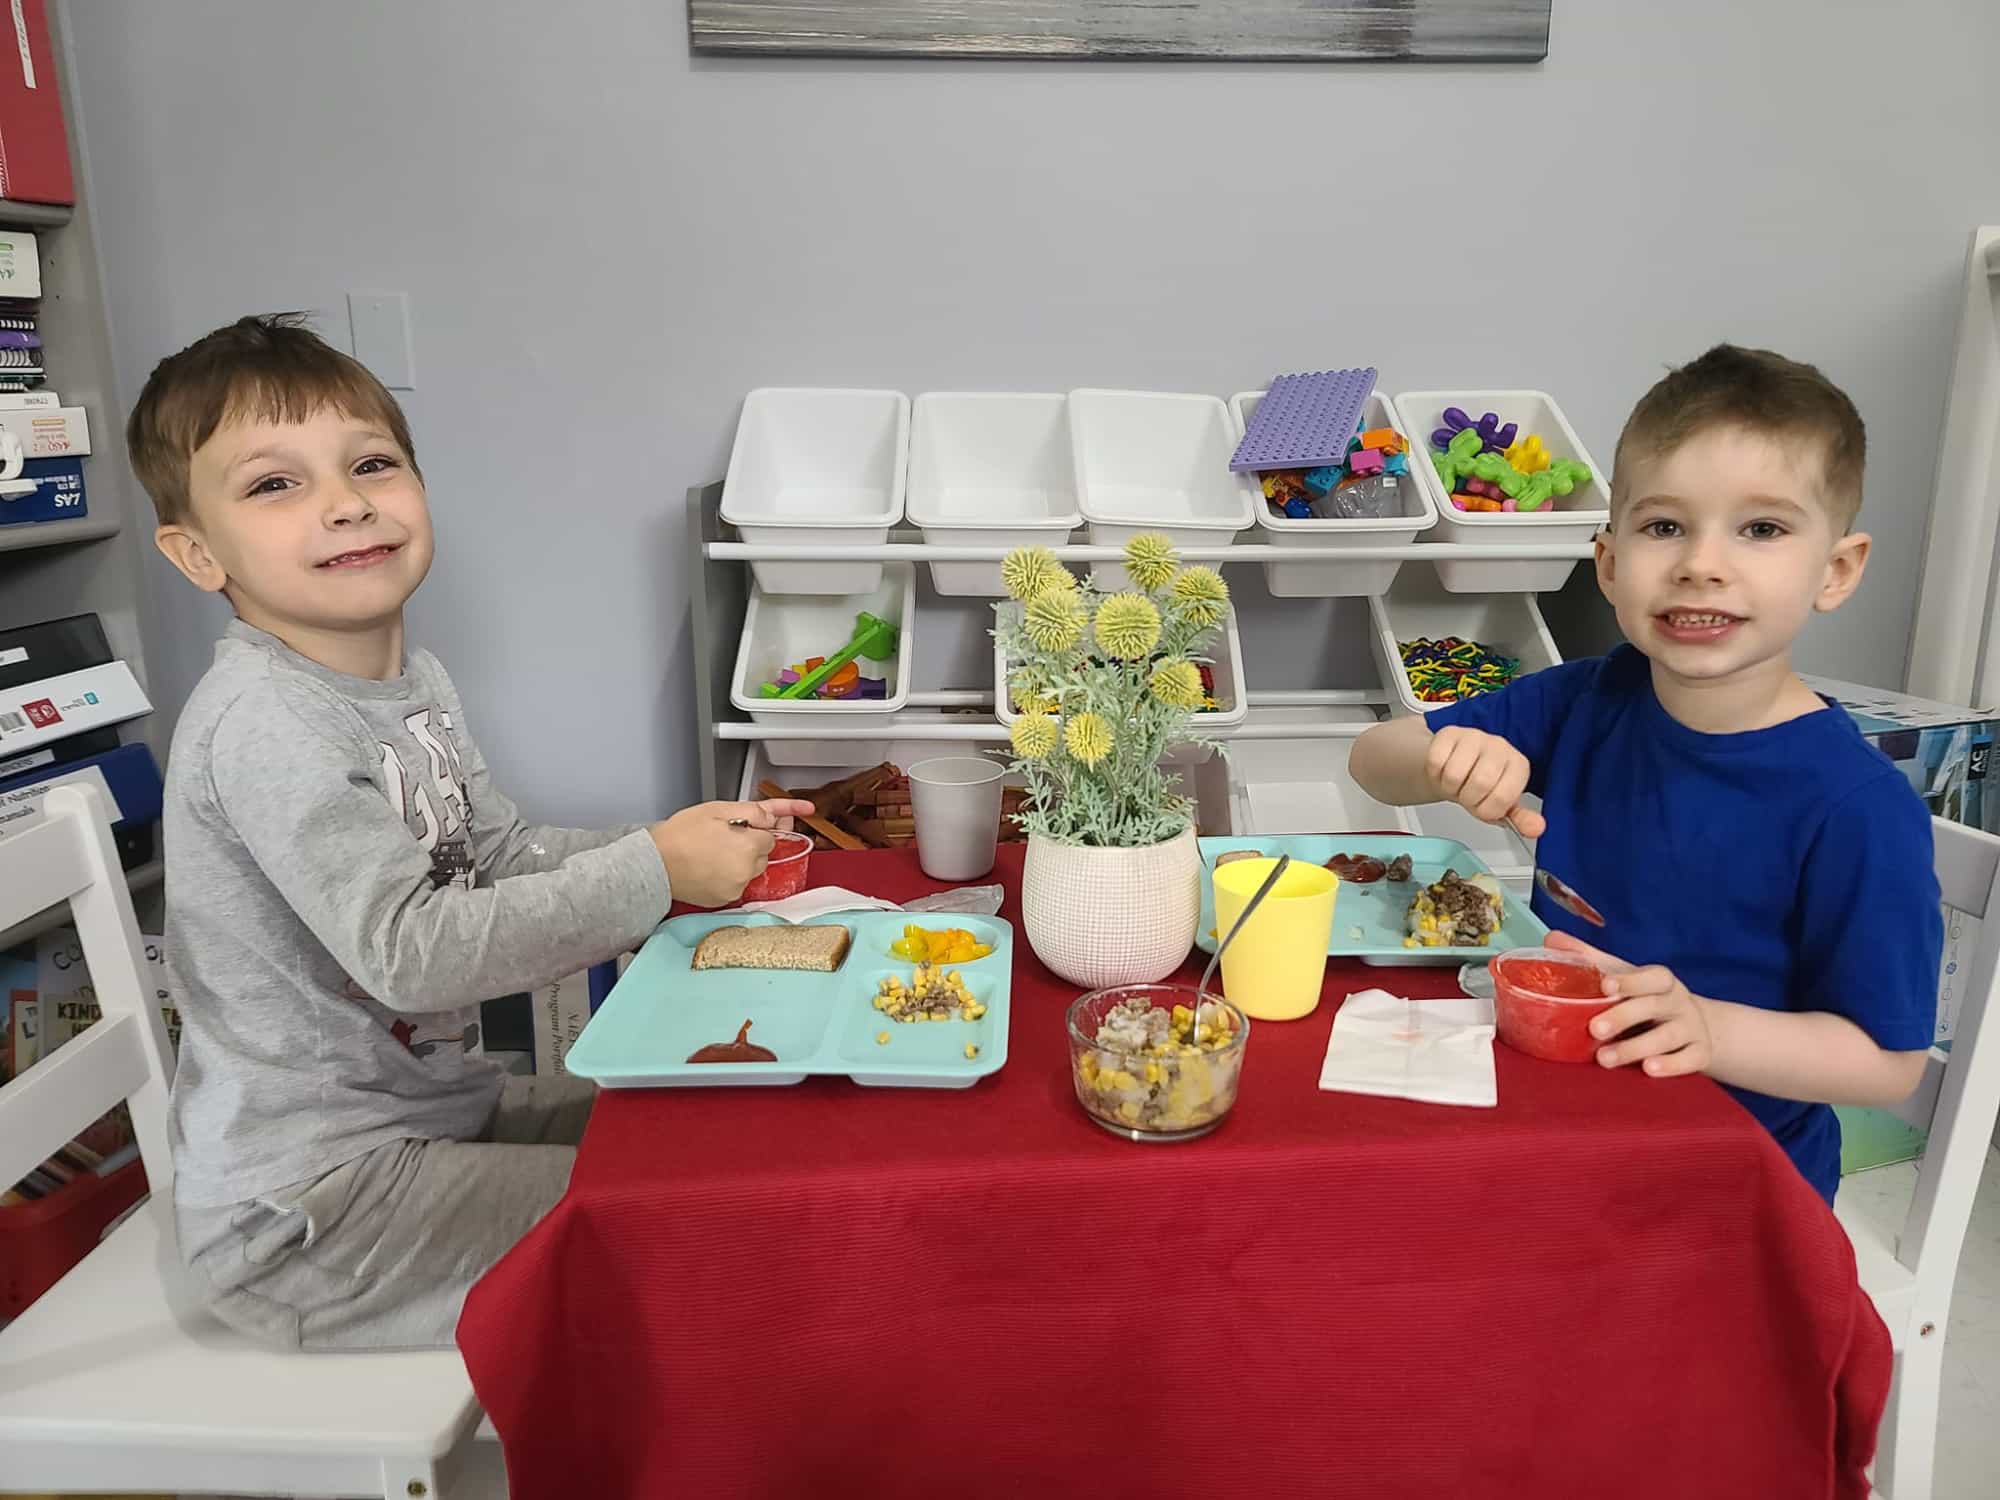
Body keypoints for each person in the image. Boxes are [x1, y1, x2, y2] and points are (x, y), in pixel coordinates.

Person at [127, 313, 810, 1347]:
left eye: (370, 463)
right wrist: (651, 874)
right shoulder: (263, 723)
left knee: (729, 1139)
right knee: (717, 1230)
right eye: (276, 484)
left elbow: (491, 858)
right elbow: (411, 955)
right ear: (195, 554)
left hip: (433, 1124)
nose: (346, 503)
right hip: (309, 1219)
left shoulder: (411, 686)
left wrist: (670, 845)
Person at [1350, 344, 1939, 1205]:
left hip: (1727, 1185)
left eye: (1762, 529)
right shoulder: (1588, 697)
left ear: (1836, 569)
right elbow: (1372, 764)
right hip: (1559, 1131)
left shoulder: (1858, 807)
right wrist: (1443, 760)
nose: (1702, 562)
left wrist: (1708, 1029)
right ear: (1612, 563)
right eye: (1665, 526)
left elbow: (1888, 1061)